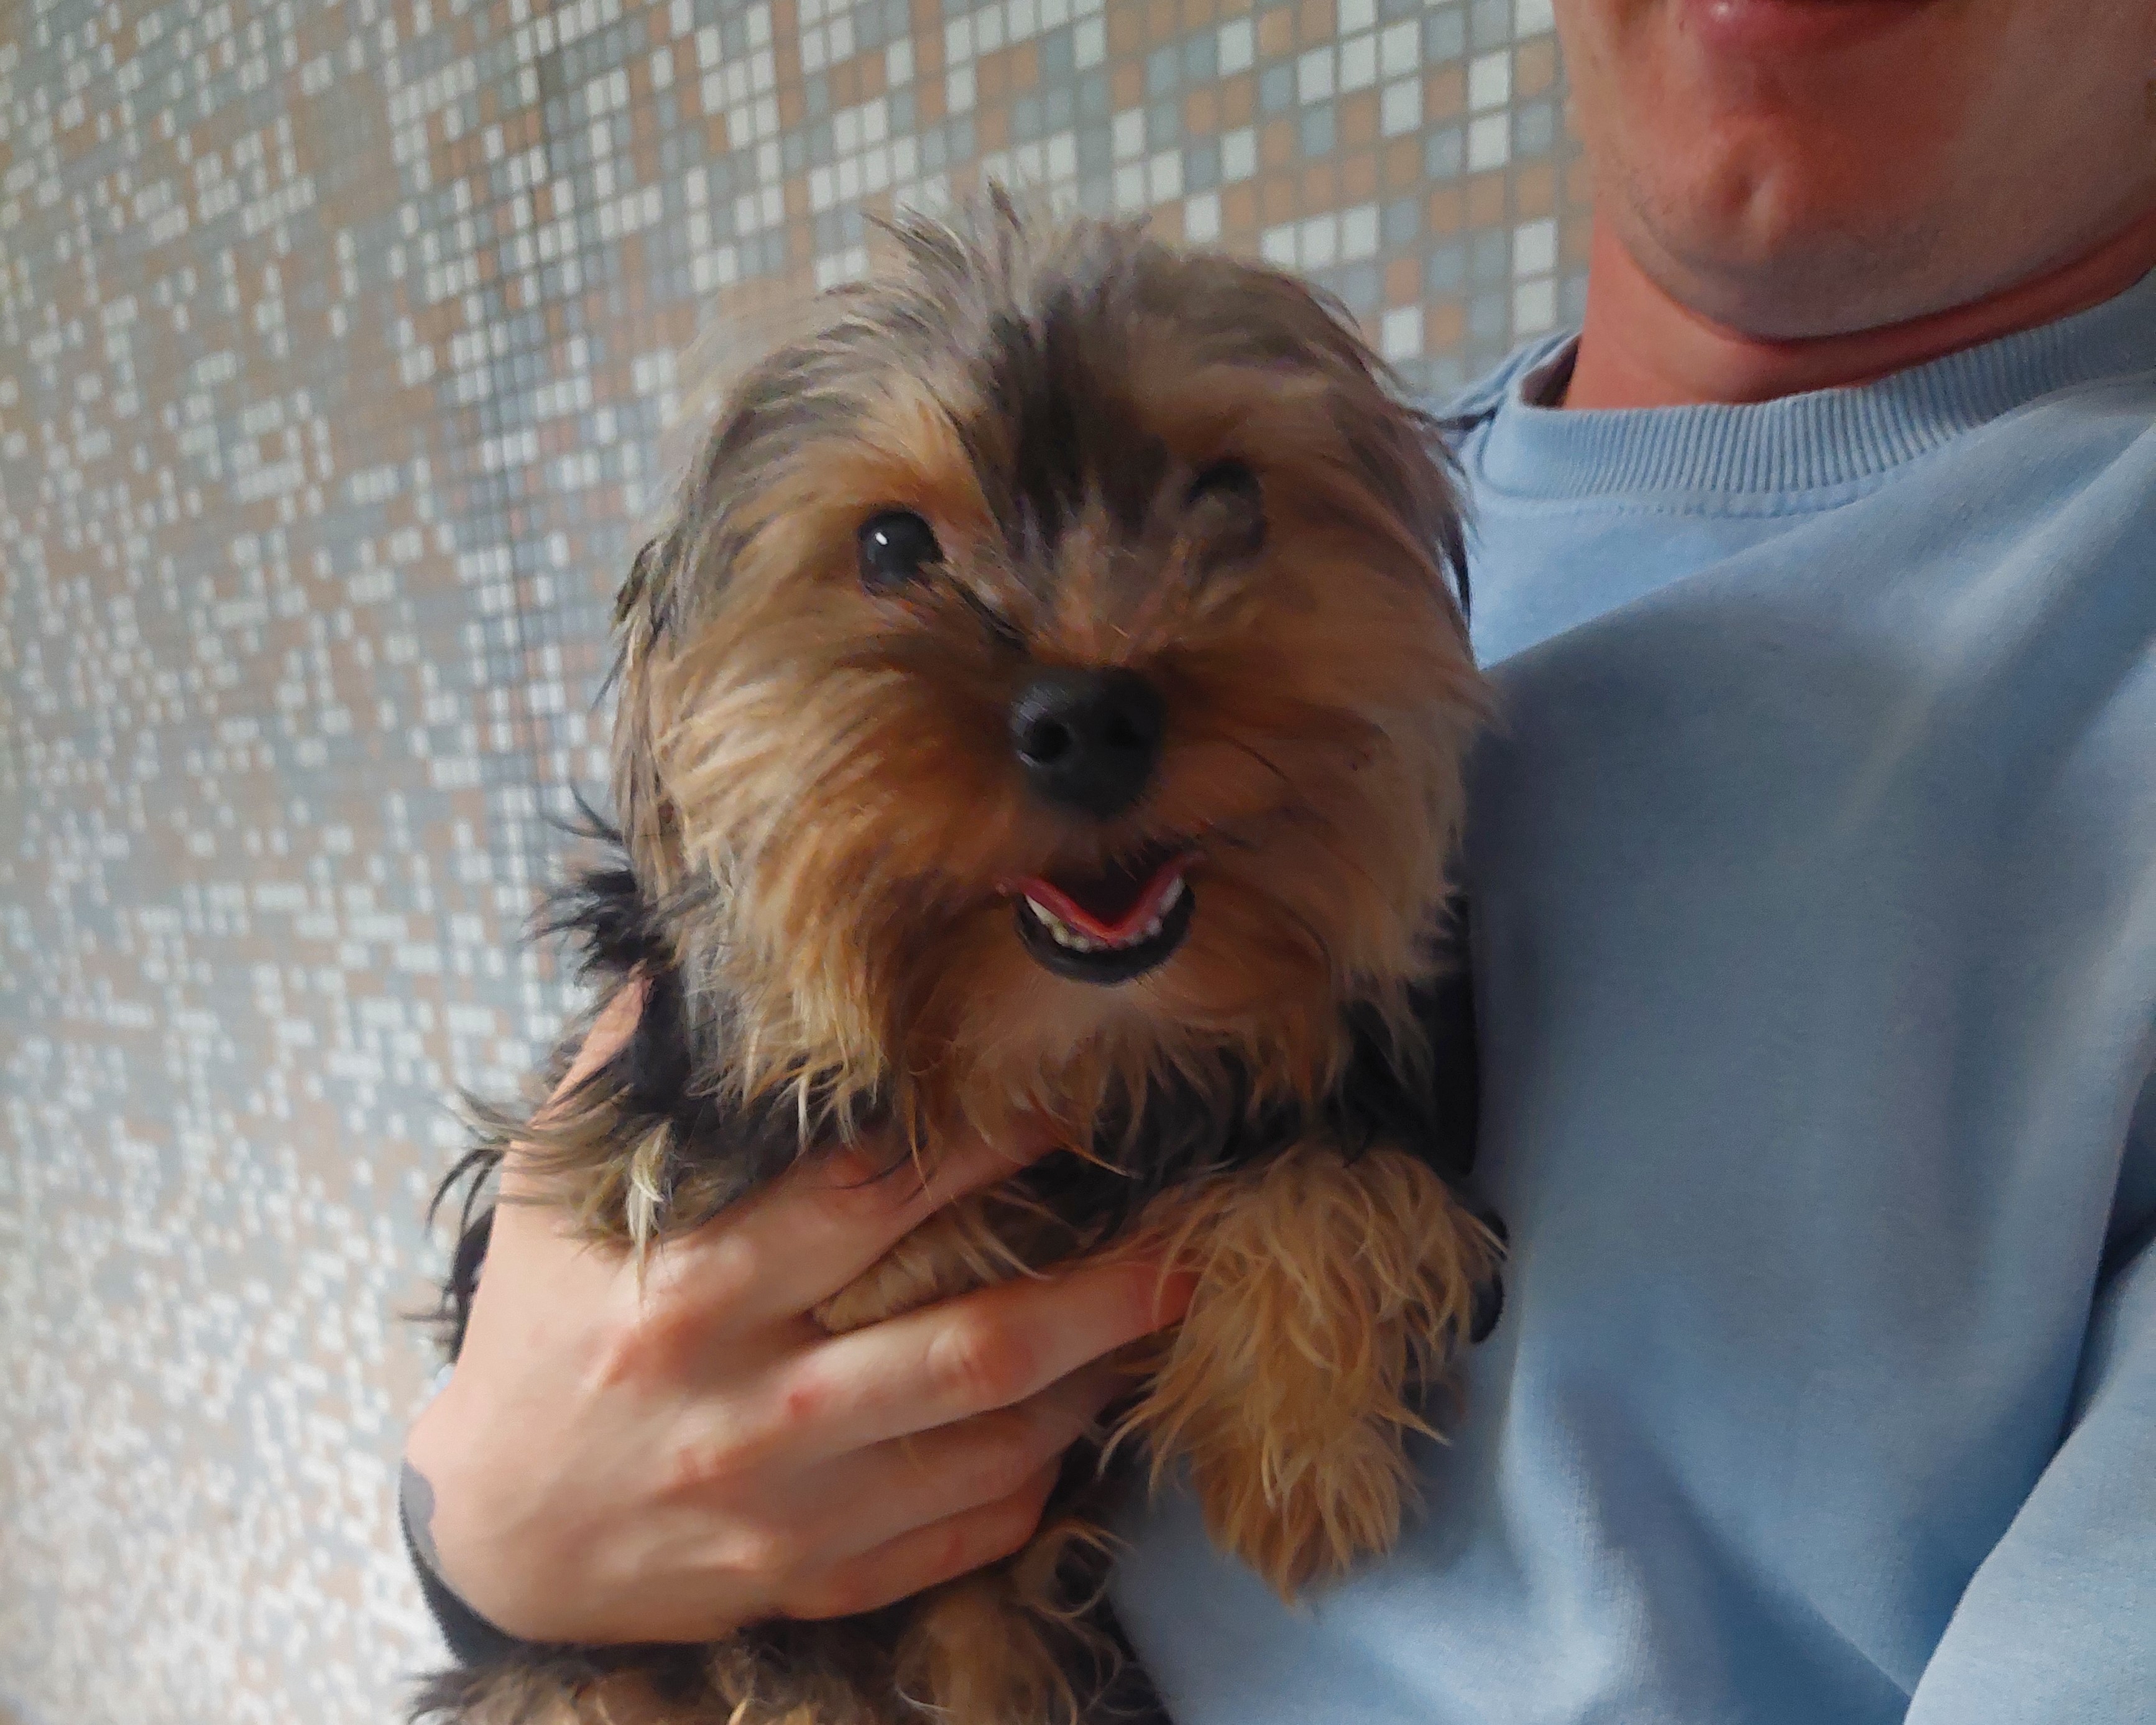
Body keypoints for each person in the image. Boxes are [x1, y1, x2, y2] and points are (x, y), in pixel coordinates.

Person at [403, 0, 2156, 1717]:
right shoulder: (1380, 493)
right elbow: (598, 1358)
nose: (1097, 652)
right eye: (893, 555)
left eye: (1220, 510)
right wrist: (492, 1545)